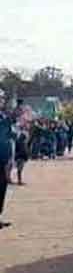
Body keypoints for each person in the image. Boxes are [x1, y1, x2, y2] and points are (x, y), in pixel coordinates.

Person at [0, 90, 13, 228]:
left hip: (3, 158)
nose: (2, 101)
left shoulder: (4, 117)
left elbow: (9, 135)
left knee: (2, 187)